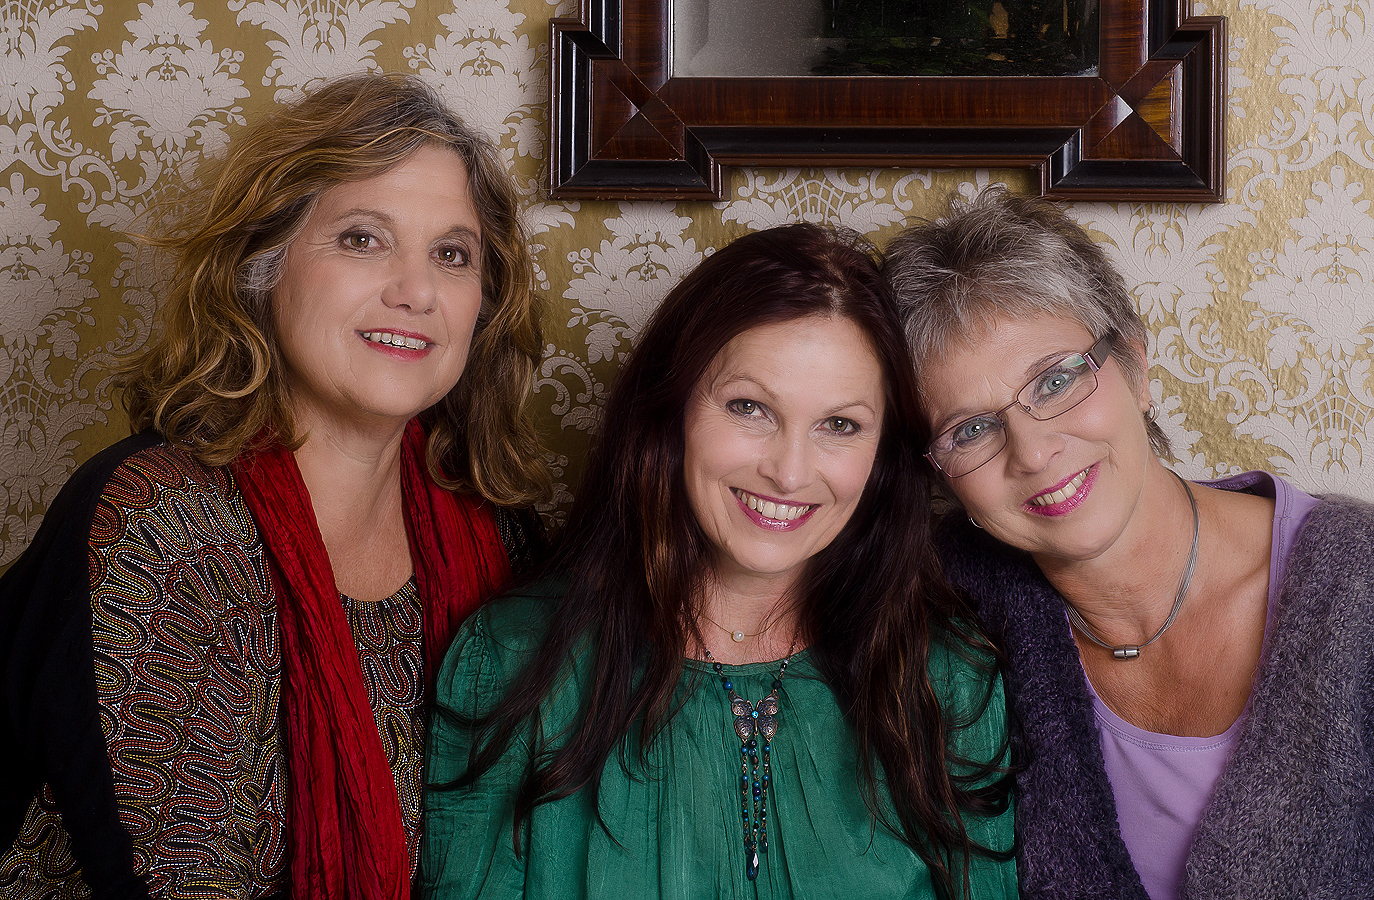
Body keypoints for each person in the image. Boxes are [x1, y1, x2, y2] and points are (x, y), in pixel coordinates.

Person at [0, 72, 550, 899]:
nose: (416, 290)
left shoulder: (501, 534)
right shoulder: (165, 529)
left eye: (452, 254)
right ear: (262, 268)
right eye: (362, 238)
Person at [421, 223, 1017, 900]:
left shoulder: (949, 674)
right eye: (749, 407)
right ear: (671, 412)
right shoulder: (510, 660)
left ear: (882, 457)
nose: (789, 472)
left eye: (840, 425)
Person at [885, 187, 1374, 900]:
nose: (1033, 452)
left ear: (1136, 368)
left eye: (1055, 381)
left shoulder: (1359, 590)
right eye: (971, 430)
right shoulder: (952, 619)